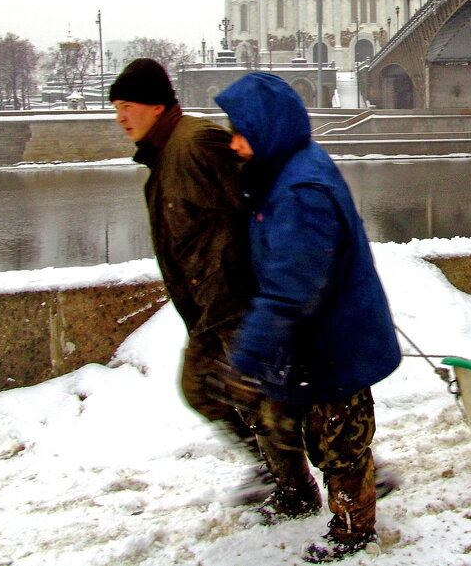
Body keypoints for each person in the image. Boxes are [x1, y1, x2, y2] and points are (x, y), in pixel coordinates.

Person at [108, 58, 322, 518]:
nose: (120, 117)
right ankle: (281, 473)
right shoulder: (164, 154)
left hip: (236, 299)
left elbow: (261, 198)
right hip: (209, 304)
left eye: (127, 106)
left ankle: (302, 485)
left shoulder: (196, 142)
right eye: (116, 108)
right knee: (207, 389)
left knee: (261, 398)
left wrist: (285, 276)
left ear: (155, 104)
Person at [215, 72, 402, 563]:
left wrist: (250, 354)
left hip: (336, 343)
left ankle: (354, 531)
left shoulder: (300, 189)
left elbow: (293, 289)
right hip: (316, 343)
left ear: (265, 130)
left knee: (340, 448)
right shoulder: (283, 172)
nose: (233, 143)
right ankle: (336, 491)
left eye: (239, 132)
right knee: (311, 431)